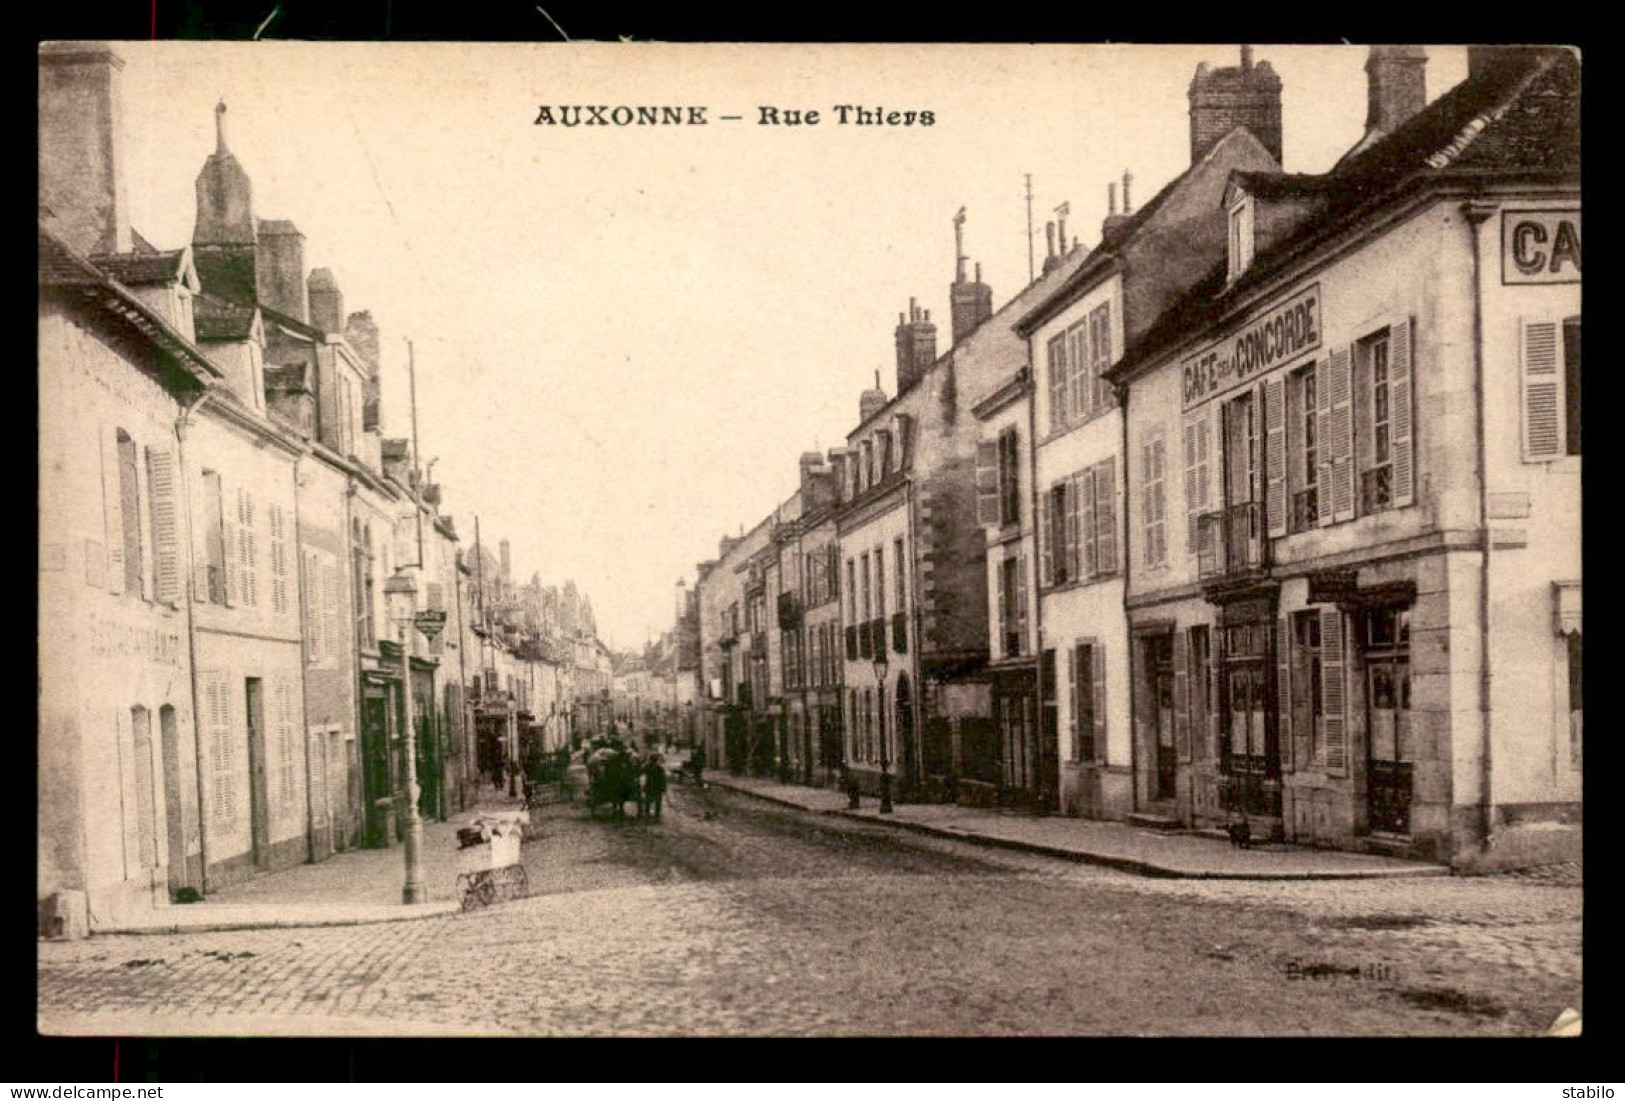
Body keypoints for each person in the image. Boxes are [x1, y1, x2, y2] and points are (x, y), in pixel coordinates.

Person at [642, 754, 668, 821]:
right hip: (657, 787)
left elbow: (640, 771)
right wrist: (663, 788)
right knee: (657, 801)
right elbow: (663, 779)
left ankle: (648, 813)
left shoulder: (647, 766)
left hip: (650, 786)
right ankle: (656, 814)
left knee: (649, 800)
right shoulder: (659, 768)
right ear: (656, 761)